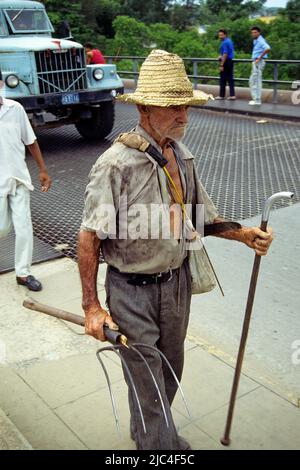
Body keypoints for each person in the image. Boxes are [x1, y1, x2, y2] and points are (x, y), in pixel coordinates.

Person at [78, 50, 273, 450]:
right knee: (146, 377)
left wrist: (243, 234)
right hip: (132, 291)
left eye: (186, 105)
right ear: (147, 107)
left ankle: (149, 431)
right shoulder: (116, 164)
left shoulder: (181, 156)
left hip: (176, 285)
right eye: (173, 106)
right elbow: (89, 238)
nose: (184, 115)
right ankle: (159, 447)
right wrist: (92, 308)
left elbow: (198, 217)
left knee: (169, 370)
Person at [0, 71, 52, 291]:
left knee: (23, 228)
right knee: (1, 228)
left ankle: (23, 272)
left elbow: (30, 140)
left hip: (19, 177)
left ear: (1, 84)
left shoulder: (15, 109)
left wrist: (42, 170)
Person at [249, 26, 271, 106]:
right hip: (256, 62)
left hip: (258, 62)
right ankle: (255, 99)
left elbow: (268, 48)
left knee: (256, 81)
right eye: (252, 32)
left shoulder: (261, 40)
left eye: (255, 32)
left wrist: (259, 57)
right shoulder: (256, 41)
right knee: (252, 81)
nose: (253, 34)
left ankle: (257, 101)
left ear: (259, 33)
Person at [215, 29, 236, 100]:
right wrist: (221, 56)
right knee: (230, 79)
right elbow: (228, 53)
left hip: (226, 62)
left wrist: (221, 65)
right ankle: (232, 95)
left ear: (225, 35)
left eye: (221, 35)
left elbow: (225, 54)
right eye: (219, 35)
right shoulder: (229, 41)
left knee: (223, 79)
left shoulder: (224, 43)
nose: (220, 36)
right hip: (230, 61)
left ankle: (221, 95)